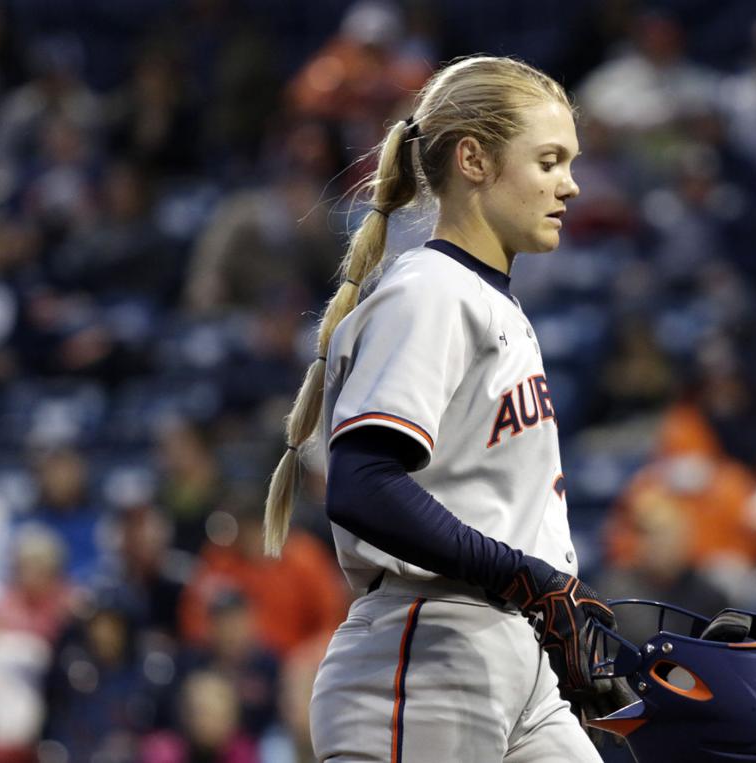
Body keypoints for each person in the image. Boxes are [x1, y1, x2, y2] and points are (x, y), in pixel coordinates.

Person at [262, 56, 627, 762]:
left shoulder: (493, 304)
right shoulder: (430, 291)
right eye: (548, 160)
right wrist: (523, 576)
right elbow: (364, 484)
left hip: (513, 656)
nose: (570, 184)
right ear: (474, 160)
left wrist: (552, 603)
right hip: (426, 653)